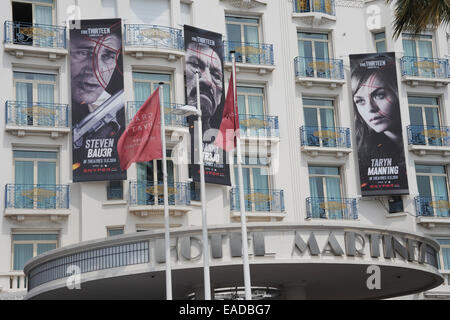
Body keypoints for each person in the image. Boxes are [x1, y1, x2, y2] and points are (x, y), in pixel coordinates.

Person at [351, 53, 408, 192]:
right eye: (360, 101)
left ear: (397, 92)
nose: (370, 108)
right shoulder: (362, 156)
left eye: (379, 95)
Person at [185, 41, 224, 135]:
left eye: (216, 75)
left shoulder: (220, 145)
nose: (208, 81)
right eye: (196, 65)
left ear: (219, 97)